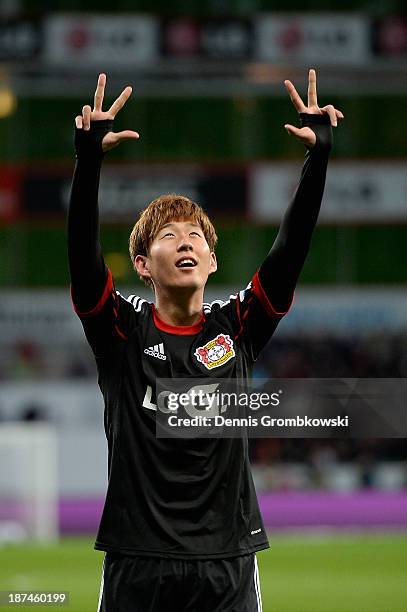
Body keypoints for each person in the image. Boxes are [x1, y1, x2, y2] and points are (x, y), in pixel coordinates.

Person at [68, 70, 343, 612]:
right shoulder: (121, 333)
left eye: (196, 234)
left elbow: (288, 255)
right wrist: (89, 161)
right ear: (144, 265)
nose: (186, 240)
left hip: (227, 563)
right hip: (137, 561)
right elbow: (83, 260)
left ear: (212, 261)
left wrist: (318, 162)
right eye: (169, 236)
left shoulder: (236, 328)